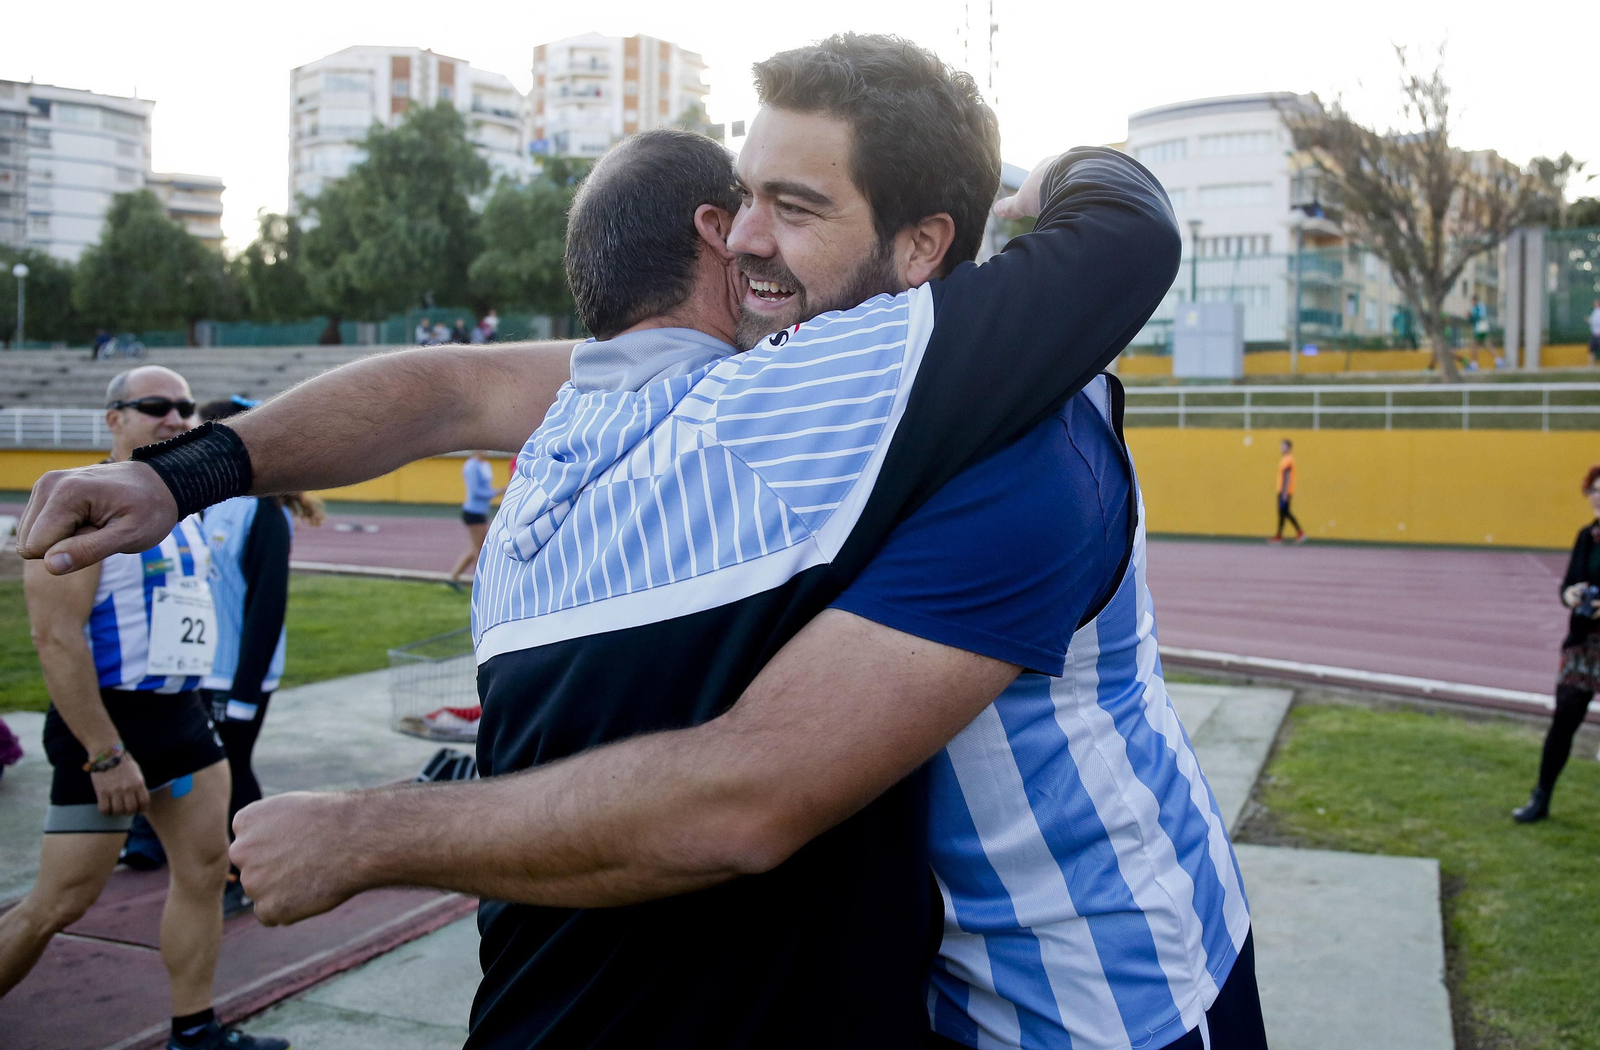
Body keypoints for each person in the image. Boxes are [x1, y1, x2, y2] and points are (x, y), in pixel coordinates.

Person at [19, 36, 1259, 1050]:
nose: (744, 239)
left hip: (1103, 1007)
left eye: (794, 206)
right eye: (742, 200)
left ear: (928, 246)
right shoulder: (774, 382)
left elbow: (748, 794)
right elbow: (451, 389)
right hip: (953, 997)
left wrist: (369, 835)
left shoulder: (1014, 449)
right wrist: (187, 475)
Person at [2, 366, 286, 1050]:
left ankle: (195, 1030)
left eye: (185, 406)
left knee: (206, 869)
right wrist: (105, 754)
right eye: (155, 405)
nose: (176, 417)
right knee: (59, 902)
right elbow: (56, 639)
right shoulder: (78, 499)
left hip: (181, 716)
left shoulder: (180, 502)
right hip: (106, 724)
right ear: (114, 420)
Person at [196, 397, 325, 915]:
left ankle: (248, 868)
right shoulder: (196, 503)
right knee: (208, 770)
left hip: (239, 675)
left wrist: (246, 693)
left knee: (231, 769)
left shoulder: (262, 510)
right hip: (197, 670)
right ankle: (209, 855)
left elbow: (266, 607)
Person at [1513, 464, 1600, 823]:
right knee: (1564, 717)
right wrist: (1571, 595)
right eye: (1593, 491)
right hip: (1583, 643)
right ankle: (1541, 797)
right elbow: (1567, 584)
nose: (1597, 498)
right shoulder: (1586, 536)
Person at [448, 450, 499, 589]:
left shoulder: (484, 465)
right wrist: (497, 492)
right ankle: (481, 584)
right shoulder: (471, 466)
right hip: (473, 511)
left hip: (481, 511)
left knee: (476, 547)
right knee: (479, 550)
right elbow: (476, 491)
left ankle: (454, 577)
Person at [1272, 437, 1305, 543]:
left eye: (1283, 445)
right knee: (1283, 513)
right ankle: (1280, 535)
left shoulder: (1288, 460)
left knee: (1285, 513)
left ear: (1289, 447)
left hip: (1285, 491)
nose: (1281, 447)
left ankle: (1299, 532)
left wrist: (1285, 493)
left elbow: (1287, 476)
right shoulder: (1284, 459)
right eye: (1281, 445)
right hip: (1282, 491)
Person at [1588, 297, 1600, 364]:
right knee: (1591, 349)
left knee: (1592, 349)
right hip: (1595, 334)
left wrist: (1590, 321)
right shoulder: (1594, 312)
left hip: (1598, 335)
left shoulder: (1598, 312)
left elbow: (1596, 322)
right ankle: (1591, 364)